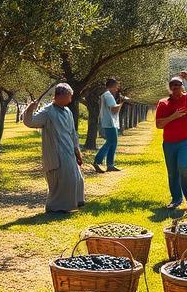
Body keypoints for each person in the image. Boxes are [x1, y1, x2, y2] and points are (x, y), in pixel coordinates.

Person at [22, 83, 86, 213]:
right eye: (69, 96)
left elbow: (73, 132)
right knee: (61, 179)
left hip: (69, 150)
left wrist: (77, 150)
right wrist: (30, 109)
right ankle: (56, 207)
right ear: (60, 96)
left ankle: (75, 202)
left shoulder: (68, 111)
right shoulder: (48, 111)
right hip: (56, 152)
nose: (70, 99)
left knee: (76, 178)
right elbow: (30, 122)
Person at [155, 70, 187, 210]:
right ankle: (176, 199)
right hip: (169, 143)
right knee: (172, 172)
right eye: (173, 85)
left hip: (186, 141)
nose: (176, 87)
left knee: (183, 167)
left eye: (178, 84)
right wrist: (174, 116)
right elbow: (159, 125)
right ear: (170, 88)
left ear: (183, 86)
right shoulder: (163, 103)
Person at [93, 77, 128, 173]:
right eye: (116, 87)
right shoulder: (108, 95)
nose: (117, 89)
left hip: (110, 122)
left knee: (113, 143)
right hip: (110, 122)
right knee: (110, 142)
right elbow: (114, 109)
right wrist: (122, 102)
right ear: (112, 86)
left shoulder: (107, 95)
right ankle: (97, 161)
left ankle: (110, 165)